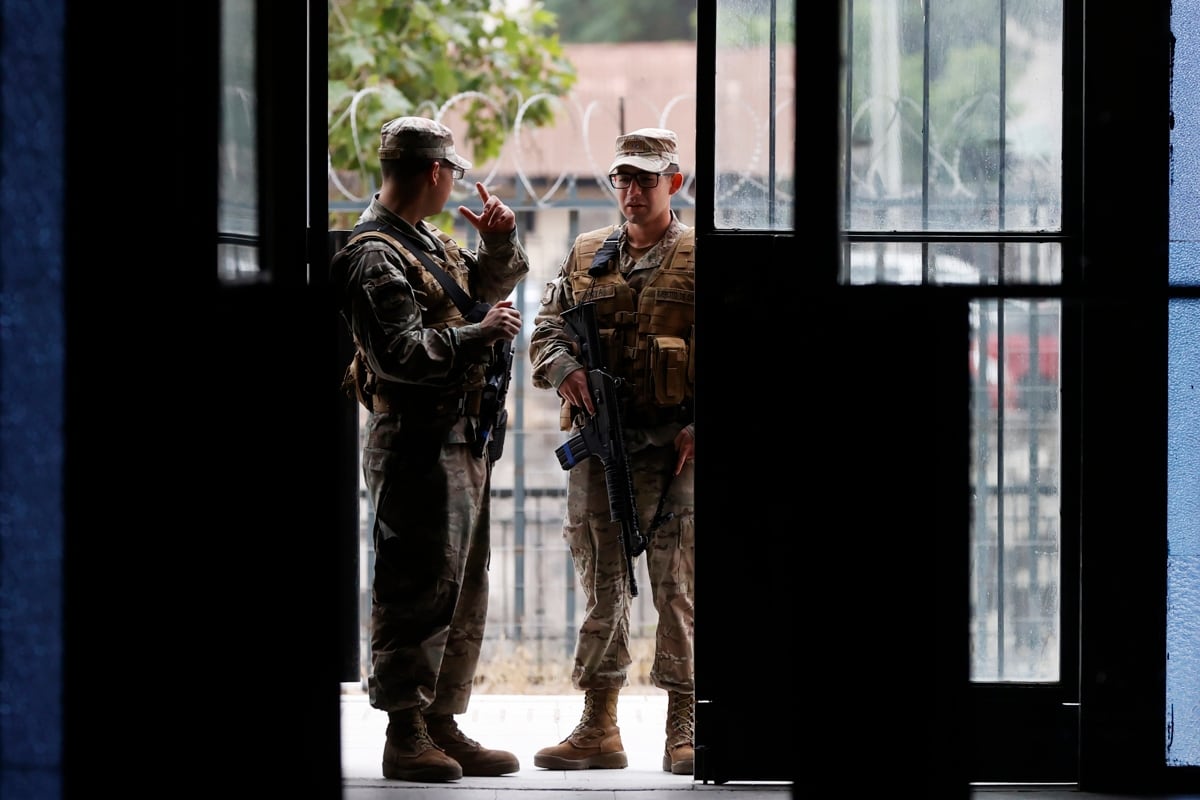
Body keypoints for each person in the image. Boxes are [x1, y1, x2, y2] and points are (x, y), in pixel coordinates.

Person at [330, 116, 528, 783]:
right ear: (436, 172)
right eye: (452, 173)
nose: (454, 185)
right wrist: (480, 335)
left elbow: (484, 293)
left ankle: (441, 720)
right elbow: (399, 354)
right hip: (415, 443)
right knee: (414, 583)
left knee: (460, 586)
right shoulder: (373, 255)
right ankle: (405, 731)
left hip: (461, 438)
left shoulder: (426, 242)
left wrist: (499, 241)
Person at [528, 127, 697, 775]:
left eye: (645, 180)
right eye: (623, 179)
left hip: (676, 449)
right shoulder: (586, 254)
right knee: (603, 583)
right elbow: (547, 327)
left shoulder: (700, 258)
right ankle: (599, 724)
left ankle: (685, 722)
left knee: (678, 587)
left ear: (672, 182)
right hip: (603, 448)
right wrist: (564, 368)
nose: (632, 192)